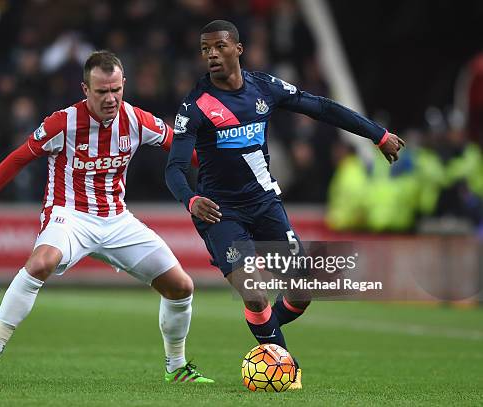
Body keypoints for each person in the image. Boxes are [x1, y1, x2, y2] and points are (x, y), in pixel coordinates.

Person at [165, 20, 405, 390]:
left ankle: (264, 329)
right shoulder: (195, 106)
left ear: (238, 49)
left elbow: (321, 108)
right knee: (255, 291)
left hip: (265, 204)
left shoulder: (265, 87)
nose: (212, 54)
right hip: (219, 211)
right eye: (205, 49)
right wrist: (191, 198)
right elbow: (175, 169)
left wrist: (378, 134)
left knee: (302, 290)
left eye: (220, 46)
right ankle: (281, 362)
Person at [0, 51, 213, 384]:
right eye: (102, 91)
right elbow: (18, 158)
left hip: (116, 220)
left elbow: (181, 149)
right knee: (40, 263)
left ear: (123, 85)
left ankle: (176, 367)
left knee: (181, 287)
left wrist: (221, 175)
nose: (110, 98)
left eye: (116, 89)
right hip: (69, 215)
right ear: (85, 89)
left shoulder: (137, 120)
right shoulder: (63, 123)